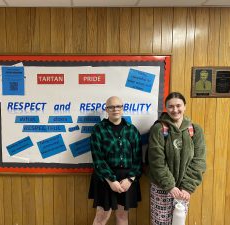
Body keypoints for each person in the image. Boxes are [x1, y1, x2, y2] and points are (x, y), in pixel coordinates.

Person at [148, 92, 206, 225]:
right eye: (171, 106)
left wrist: (187, 187)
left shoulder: (195, 130)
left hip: (184, 189)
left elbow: (199, 161)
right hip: (161, 186)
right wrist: (169, 185)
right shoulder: (159, 129)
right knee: (160, 223)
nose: (175, 110)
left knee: (178, 222)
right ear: (166, 108)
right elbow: (157, 161)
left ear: (185, 106)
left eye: (178, 106)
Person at [88, 96, 142, 225]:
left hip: (126, 179)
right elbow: (98, 159)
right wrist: (111, 181)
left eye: (118, 106)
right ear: (106, 110)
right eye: (111, 107)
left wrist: (130, 180)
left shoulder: (132, 130)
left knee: (122, 216)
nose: (115, 109)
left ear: (123, 109)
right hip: (104, 178)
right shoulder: (98, 129)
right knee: (101, 216)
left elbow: (138, 159)